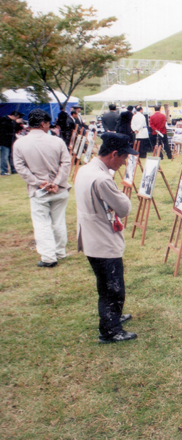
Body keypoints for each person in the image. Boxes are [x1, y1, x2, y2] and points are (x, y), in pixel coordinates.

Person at [75, 132, 137, 344]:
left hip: (92, 235)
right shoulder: (102, 179)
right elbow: (124, 208)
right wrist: (122, 193)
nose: (124, 162)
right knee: (112, 287)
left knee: (107, 284)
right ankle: (110, 330)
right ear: (113, 154)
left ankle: (113, 317)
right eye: (123, 157)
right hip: (101, 240)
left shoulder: (86, 170)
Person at [13, 109, 71, 267]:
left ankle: (48, 256)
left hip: (39, 191)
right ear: (43, 123)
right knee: (59, 221)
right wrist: (56, 182)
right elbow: (66, 163)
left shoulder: (20, 143)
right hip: (58, 189)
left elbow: (20, 167)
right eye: (47, 123)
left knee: (41, 223)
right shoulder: (57, 141)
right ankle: (60, 251)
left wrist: (39, 183)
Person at [0, 111, 23, 176]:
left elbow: (16, 130)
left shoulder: (13, 122)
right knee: (4, 156)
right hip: (4, 141)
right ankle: (4, 170)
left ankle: (13, 169)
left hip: (11, 141)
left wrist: (18, 124)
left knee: (12, 157)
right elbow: (8, 128)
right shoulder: (4, 120)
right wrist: (16, 123)